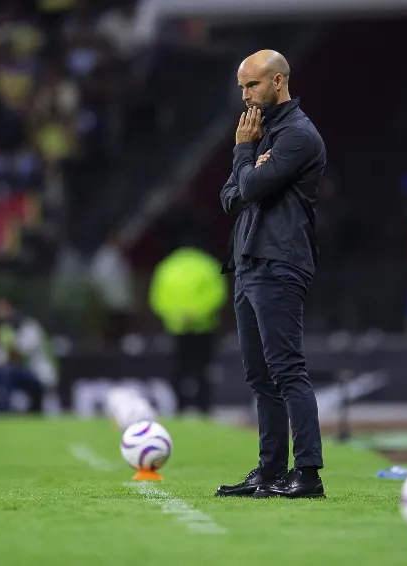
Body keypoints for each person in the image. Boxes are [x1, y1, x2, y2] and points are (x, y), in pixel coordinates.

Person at [216, 50, 326, 499]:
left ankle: (308, 475)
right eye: (242, 86)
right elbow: (229, 196)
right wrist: (249, 168)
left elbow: (253, 187)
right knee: (260, 377)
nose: (245, 96)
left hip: (279, 261)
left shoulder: (297, 135)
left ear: (278, 81)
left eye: (252, 85)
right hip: (247, 262)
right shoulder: (261, 131)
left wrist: (246, 155)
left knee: (287, 371)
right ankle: (269, 470)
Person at [148, 242, 227, 416]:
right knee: (203, 370)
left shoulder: (167, 266)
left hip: (177, 328)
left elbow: (157, 297)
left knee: (178, 370)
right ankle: (204, 409)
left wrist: (176, 316)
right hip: (204, 327)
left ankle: (179, 409)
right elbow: (218, 293)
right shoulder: (207, 264)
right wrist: (198, 315)